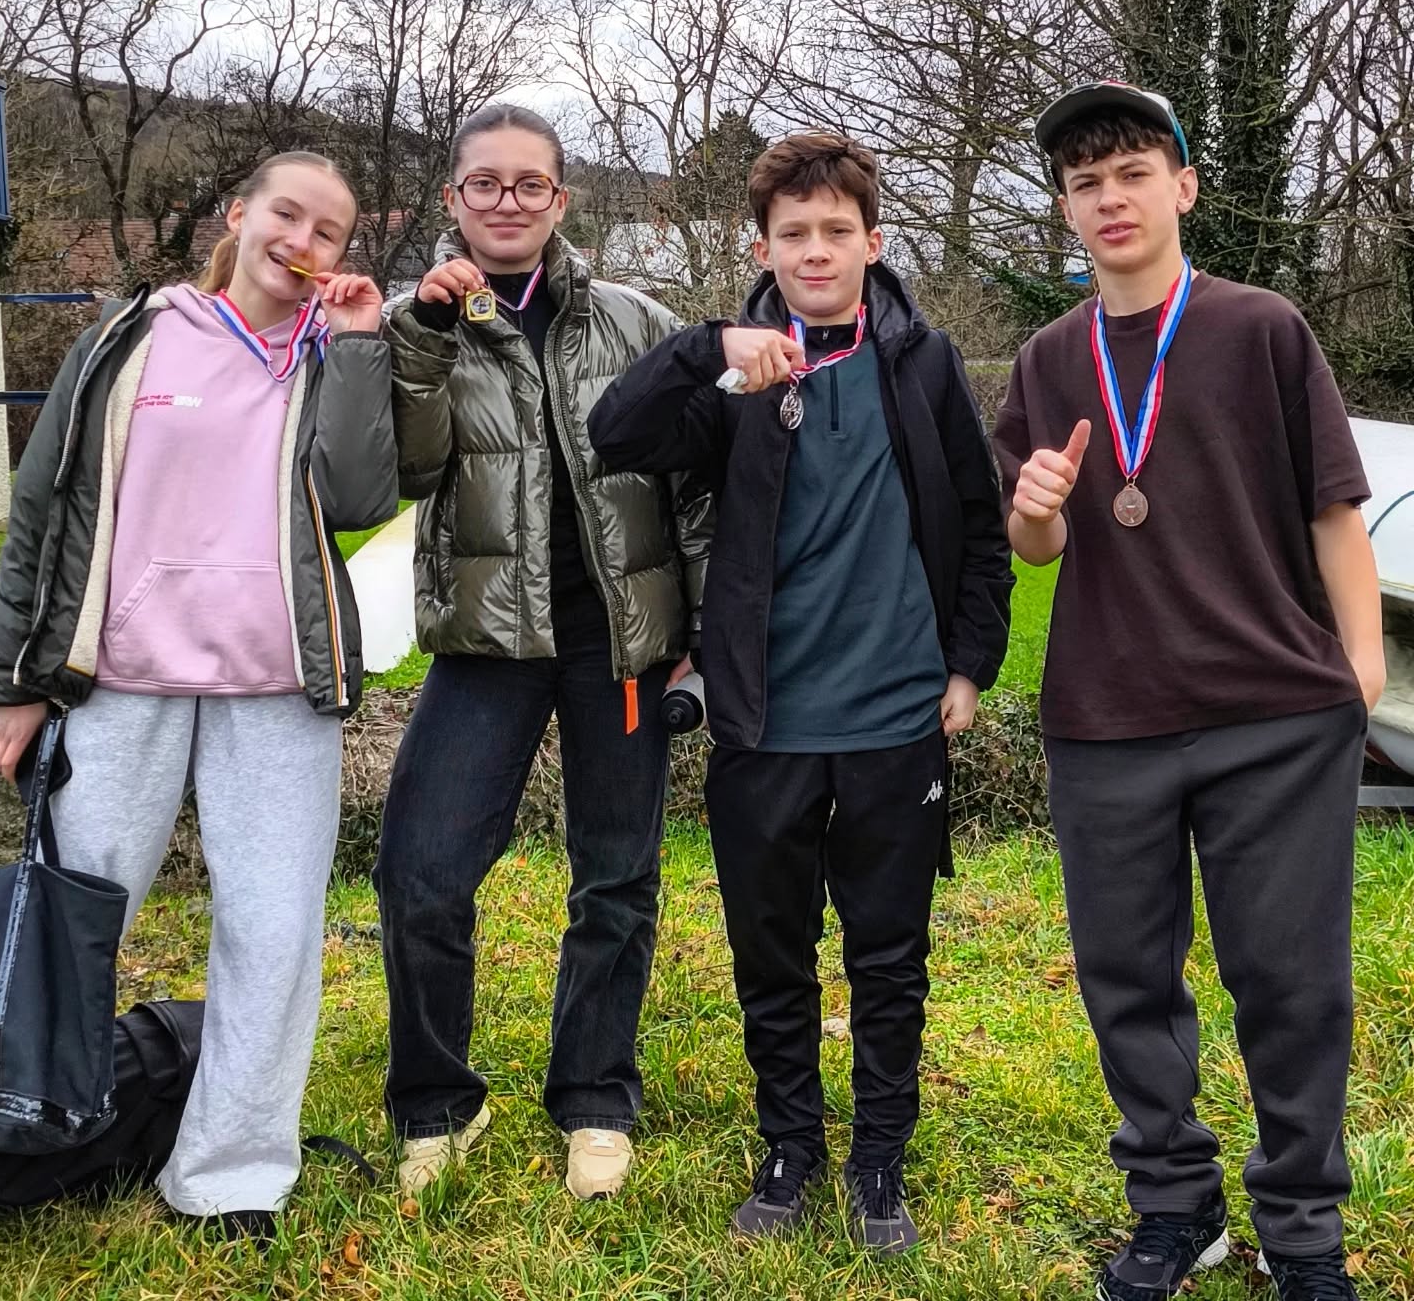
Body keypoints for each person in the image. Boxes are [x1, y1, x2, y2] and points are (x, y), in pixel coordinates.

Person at [992, 81, 1385, 1301]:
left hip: (1276, 713)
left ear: (1182, 186)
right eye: (1083, 183)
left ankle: (1303, 1230)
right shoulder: (1050, 358)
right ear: (1065, 210)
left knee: (1291, 980)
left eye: (1130, 173)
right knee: (1127, 979)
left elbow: (1335, 509)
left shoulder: (1262, 327)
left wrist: (1359, 676)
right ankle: (1176, 1207)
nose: (1108, 200)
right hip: (1109, 717)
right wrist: (1034, 514)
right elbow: (1037, 548)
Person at [587, 131, 1012, 1252]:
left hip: (894, 717)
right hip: (761, 719)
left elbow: (979, 524)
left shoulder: (922, 363)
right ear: (762, 246)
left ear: (874, 243)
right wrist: (702, 350)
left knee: (888, 955)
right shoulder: (736, 371)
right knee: (770, 952)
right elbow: (612, 434)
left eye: (836, 233)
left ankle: (880, 1159)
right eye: (792, 236)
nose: (815, 252)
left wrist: (969, 665)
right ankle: (790, 1145)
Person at [0, 151, 398, 1239]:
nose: (301, 239)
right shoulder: (131, 339)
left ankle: (232, 1176)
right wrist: (13, 682)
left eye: (329, 229)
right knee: (66, 916)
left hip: (276, 690)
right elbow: (44, 508)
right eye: (286, 213)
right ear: (240, 214)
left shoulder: (334, 353)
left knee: (273, 930)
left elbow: (358, 494)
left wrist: (355, 352)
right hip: (120, 681)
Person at [376, 103, 711, 1203]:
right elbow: (408, 477)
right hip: (486, 644)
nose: (508, 202)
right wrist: (422, 342)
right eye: (487, 184)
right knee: (422, 875)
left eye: (530, 184)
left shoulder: (636, 319)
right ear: (453, 201)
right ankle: (435, 1104)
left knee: (615, 877)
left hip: (619, 647)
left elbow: (694, 487)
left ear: (561, 200)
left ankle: (596, 1097)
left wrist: (696, 641)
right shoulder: (415, 326)